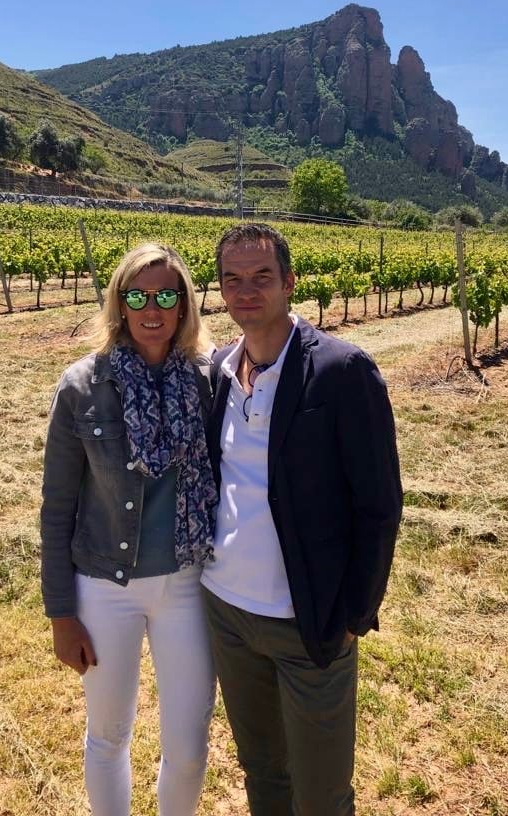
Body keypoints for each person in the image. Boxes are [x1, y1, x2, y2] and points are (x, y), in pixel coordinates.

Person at [200, 223, 402, 816]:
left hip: (307, 621)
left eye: (262, 277)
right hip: (228, 612)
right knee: (263, 771)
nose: (246, 291)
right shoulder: (218, 370)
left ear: (289, 283)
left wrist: (355, 616)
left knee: (321, 795)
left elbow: (379, 506)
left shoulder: (341, 372)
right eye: (233, 279)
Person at [40, 243, 218, 816]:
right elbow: (58, 506)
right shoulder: (81, 386)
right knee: (108, 735)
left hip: (188, 583)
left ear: (184, 304)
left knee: (189, 749)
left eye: (167, 295)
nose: (152, 309)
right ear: (118, 302)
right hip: (104, 586)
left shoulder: (206, 381)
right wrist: (61, 614)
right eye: (137, 295)